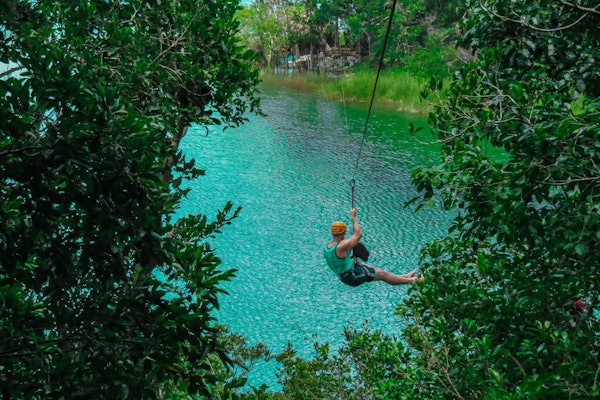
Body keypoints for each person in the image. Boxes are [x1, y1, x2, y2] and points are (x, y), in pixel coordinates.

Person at [324, 208, 424, 287]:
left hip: (347, 275)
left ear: (332, 233)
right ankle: (415, 280)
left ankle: (405, 277)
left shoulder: (328, 248)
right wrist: (353, 217)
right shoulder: (341, 246)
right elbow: (358, 235)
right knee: (383, 275)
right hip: (352, 275)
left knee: (381, 273)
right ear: (344, 232)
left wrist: (353, 260)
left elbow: (340, 262)